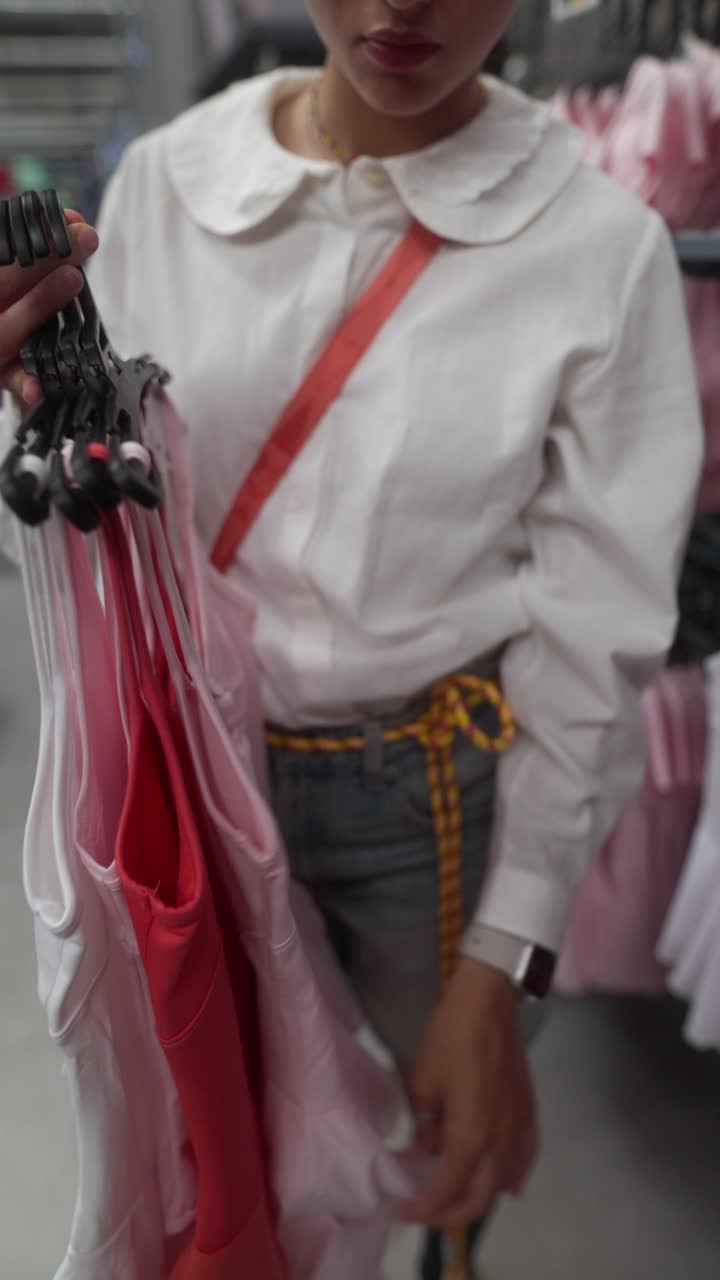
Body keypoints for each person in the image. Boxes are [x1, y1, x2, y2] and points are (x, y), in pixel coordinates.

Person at [0, 2, 704, 1276]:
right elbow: (104, 505)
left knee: (449, 1130)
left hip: (428, 791)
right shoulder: (171, 183)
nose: (402, 6)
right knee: (227, 1111)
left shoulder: (599, 246)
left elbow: (593, 631)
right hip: (198, 770)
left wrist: (503, 959)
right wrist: (34, 421)